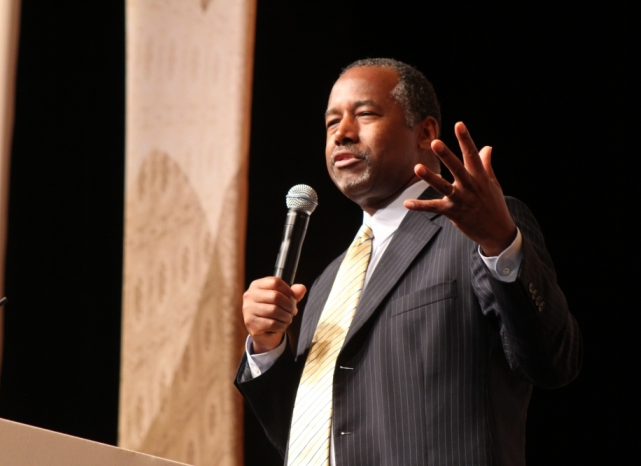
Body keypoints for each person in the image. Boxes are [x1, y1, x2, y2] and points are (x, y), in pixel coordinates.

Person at [235, 58, 581, 465]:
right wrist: (267, 346)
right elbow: (307, 434)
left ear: (426, 132)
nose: (342, 133)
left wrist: (500, 243)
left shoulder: (477, 232)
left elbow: (553, 362)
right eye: (331, 123)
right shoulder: (328, 282)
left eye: (364, 114)